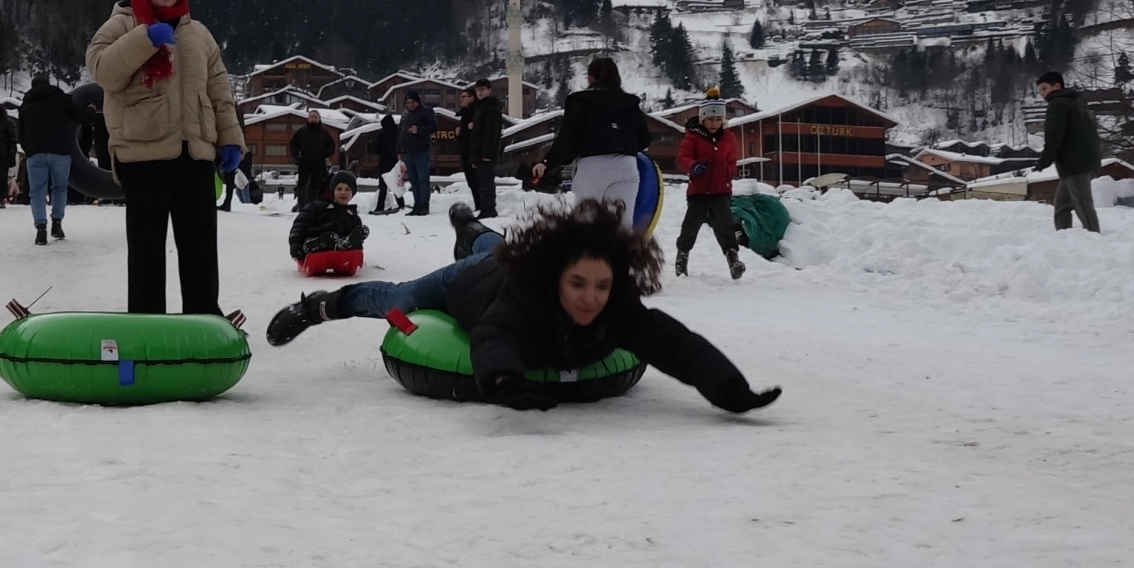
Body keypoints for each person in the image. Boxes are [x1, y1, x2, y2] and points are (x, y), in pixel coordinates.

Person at [265, 200, 782, 414]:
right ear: (556, 275)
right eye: (577, 283)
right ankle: (320, 307)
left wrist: (730, 391)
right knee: (398, 298)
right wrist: (504, 380)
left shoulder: (614, 306)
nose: (590, 297)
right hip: (464, 284)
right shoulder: (526, 296)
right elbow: (495, 334)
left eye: (601, 286)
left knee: (496, 247)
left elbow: (676, 345)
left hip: (499, 262)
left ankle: (470, 227)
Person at [86, 0, 244, 315]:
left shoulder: (199, 33)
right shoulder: (121, 23)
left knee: (200, 247)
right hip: (143, 152)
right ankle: (146, 324)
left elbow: (219, 90)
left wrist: (231, 138)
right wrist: (145, 39)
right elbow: (103, 71)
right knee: (147, 248)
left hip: (196, 153)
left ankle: (204, 321)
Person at [532, 57, 651, 228]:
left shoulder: (582, 102)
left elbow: (568, 138)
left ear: (591, 78)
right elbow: (645, 139)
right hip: (626, 166)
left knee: (585, 225)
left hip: (592, 168)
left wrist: (548, 162)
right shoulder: (631, 104)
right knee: (622, 227)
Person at [675, 95, 744, 279]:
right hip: (698, 191)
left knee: (725, 225)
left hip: (721, 191)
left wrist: (729, 172)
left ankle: (733, 260)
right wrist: (693, 166)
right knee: (691, 226)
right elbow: (683, 157)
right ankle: (682, 257)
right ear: (702, 119)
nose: (714, 123)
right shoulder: (693, 137)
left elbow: (732, 161)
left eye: (718, 119)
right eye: (710, 119)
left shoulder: (729, 138)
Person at [18, 73, 87, 244]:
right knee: (59, 188)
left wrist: (30, 150)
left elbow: (21, 134)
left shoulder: (26, 106)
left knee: (37, 192)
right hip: (60, 151)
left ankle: (41, 229)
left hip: (36, 154)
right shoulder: (62, 99)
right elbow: (82, 117)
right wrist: (92, 110)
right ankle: (57, 223)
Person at [1034, 71, 1100, 233]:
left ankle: (1094, 237)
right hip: (1086, 161)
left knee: (1083, 204)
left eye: (1044, 89)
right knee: (1061, 205)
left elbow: (1054, 136)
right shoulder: (1077, 103)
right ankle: (1064, 238)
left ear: (1056, 86)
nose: (1042, 94)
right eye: (1040, 91)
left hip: (1074, 164)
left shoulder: (1057, 105)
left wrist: (1044, 161)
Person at [288, 169, 369, 261]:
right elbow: (300, 224)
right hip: (314, 245)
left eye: (347, 189)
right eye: (339, 189)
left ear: (352, 193)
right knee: (329, 237)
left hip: (342, 254)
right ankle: (319, 244)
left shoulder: (352, 216)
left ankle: (343, 244)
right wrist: (295, 242)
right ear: (333, 190)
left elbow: (357, 239)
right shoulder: (317, 206)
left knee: (359, 231)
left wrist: (357, 246)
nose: (343, 192)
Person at [398, 90, 436, 216]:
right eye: (408, 102)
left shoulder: (426, 111)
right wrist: (399, 150)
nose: (410, 105)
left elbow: (434, 127)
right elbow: (401, 132)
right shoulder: (405, 114)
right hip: (408, 152)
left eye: (413, 102)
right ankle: (417, 205)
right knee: (413, 181)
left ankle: (424, 205)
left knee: (423, 180)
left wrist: (419, 130)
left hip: (421, 151)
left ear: (418, 101)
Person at [468, 80, 503, 218]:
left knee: (487, 182)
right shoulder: (480, 107)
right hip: (478, 150)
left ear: (489, 90)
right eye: (478, 90)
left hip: (486, 152)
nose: (480, 92)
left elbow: (491, 132)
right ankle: (485, 208)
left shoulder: (491, 107)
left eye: (482, 89)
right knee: (482, 182)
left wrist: (487, 153)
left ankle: (489, 209)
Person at [289, 109, 335, 208]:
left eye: (315, 117)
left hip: (318, 162)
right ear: (308, 118)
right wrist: (297, 153)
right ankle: (301, 206)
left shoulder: (324, 133)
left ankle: (312, 206)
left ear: (319, 119)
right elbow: (293, 144)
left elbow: (331, 146)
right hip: (304, 162)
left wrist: (325, 154)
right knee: (302, 184)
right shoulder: (302, 131)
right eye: (312, 117)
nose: (313, 119)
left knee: (316, 184)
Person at [371, 114, 403, 214]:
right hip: (395, 163)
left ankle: (380, 207)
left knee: (383, 187)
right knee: (396, 186)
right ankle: (401, 204)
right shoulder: (398, 133)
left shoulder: (381, 134)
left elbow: (376, 148)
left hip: (384, 163)